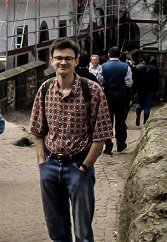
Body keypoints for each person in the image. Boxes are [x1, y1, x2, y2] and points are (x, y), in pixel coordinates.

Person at [29, 37, 112, 242]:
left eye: (68, 58)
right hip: (49, 165)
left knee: (83, 232)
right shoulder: (45, 89)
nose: (63, 62)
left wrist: (85, 166)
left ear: (76, 61)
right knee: (56, 230)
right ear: (51, 60)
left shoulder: (92, 90)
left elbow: (101, 136)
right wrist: (41, 161)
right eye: (58, 58)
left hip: (78, 167)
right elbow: (38, 130)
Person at [96, 46, 133, 154]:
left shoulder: (103, 67)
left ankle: (108, 145)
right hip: (121, 95)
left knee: (108, 121)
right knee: (121, 120)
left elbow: (100, 81)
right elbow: (129, 83)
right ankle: (120, 143)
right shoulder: (125, 67)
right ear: (120, 55)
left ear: (108, 54)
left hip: (108, 94)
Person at [134, 56, 160, 126]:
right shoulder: (154, 68)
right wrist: (157, 89)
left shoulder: (137, 68)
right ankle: (145, 121)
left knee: (139, 103)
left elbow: (135, 80)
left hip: (140, 89)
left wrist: (134, 91)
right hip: (149, 88)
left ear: (142, 59)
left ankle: (138, 116)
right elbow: (156, 80)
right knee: (147, 105)